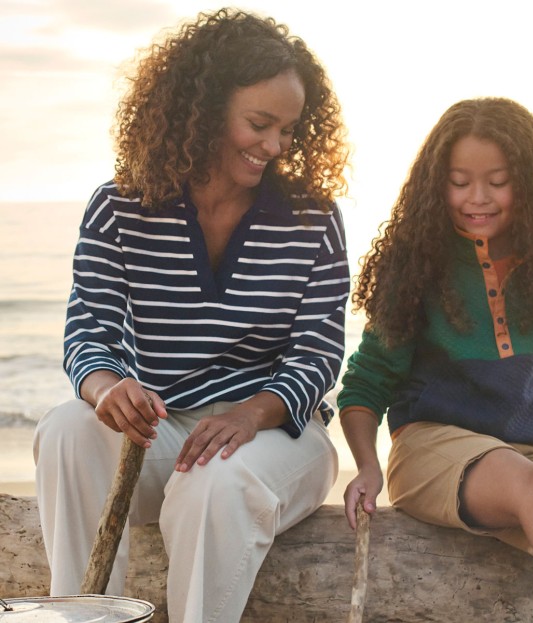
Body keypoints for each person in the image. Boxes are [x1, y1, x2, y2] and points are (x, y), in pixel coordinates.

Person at [32, 9, 349, 622]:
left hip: (278, 435)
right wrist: (107, 389)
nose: (275, 146)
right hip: (166, 434)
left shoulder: (312, 218)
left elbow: (317, 355)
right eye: (259, 124)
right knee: (67, 429)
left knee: (215, 483)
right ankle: (84, 615)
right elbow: (89, 331)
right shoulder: (120, 207)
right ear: (202, 110)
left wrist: (249, 414)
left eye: (288, 130)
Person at [335, 98, 533, 623]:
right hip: (430, 450)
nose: (477, 197)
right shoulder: (415, 264)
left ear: (528, 182)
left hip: (529, 456)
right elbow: (366, 382)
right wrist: (368, 468)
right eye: (460, 182)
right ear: (436, 184)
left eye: (498, 181)